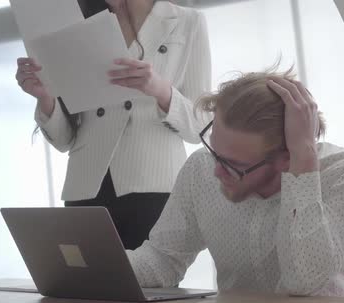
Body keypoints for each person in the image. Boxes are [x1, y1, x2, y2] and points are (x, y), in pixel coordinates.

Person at [127, 69, 344, 296]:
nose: (216, 171)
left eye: (232, 164)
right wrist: (98, 266)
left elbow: (302, 282)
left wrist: (303, 160)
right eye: (214, 151)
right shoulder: (201, 168)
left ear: (285, 158)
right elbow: (163, 260)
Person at [14, 0, 212, 249]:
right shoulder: (75, 22)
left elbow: (201, 126)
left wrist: (161, 90)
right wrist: (45, 97)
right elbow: (64, 140)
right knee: (84, 286)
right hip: (86, 188)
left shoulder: (188, 21)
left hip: (152, 185)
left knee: (153, 285)